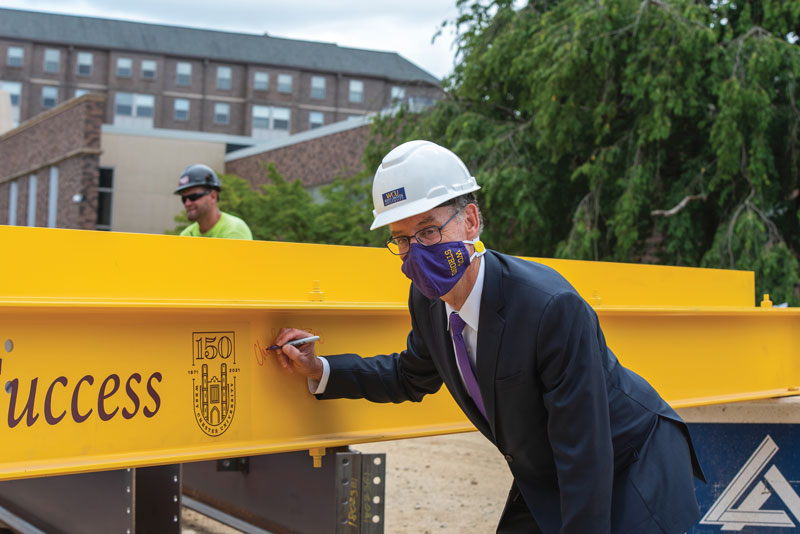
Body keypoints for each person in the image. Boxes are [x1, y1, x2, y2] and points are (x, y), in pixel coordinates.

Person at [271, 140, 704, 533]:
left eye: (428, 230)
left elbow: (585, 455)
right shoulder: (427, 302)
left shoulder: (549, 308)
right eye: (401, 239)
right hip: (545, 468)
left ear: (471, 221)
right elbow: (411, 375)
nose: (416, 252)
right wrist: (319, 368)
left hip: (629, 465)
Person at [174, 164, 252, 240]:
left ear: (213, 196)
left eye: (193, 197)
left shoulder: (234, 229)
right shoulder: (187, 235)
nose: (187, 203)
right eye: (184, 199)